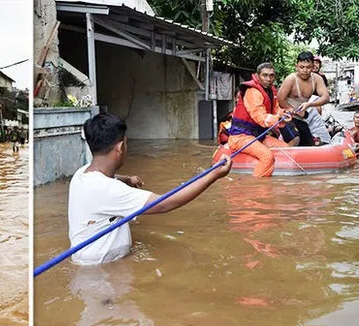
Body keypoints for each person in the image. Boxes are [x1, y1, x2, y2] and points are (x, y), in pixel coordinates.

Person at [68, 113, 231, 265]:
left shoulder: (81, 174)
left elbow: (107, 182)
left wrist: (127, 179)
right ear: (120, 147)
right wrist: (214, 175)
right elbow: (165, 203)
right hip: (105, 271)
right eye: (126, 142)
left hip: (87, 263)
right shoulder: (110, 190)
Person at [227, 62, 292, 177]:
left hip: (258, 136)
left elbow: (276, 111)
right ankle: (258, 190)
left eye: (271, 76)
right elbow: (261, 118)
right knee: (267, 156)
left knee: (286, 148)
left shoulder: (271, 91)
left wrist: (285, 114)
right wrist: (279, 118)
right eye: (265, 75)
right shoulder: (253, 92)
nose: (268, 79)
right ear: (257, 76)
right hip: (241, 137)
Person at [278, 51, 331, 145]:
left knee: (309, 143)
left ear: (313, 67)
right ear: (296, 66)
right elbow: (280, 99)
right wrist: (292, 109)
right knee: (295, 139)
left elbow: (326, 97)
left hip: (302, 116)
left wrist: (309, 104)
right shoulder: (291, 79)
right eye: (302, 67)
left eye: (308, 67)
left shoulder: (317, 79)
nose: (305, 70)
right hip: (287, 116)